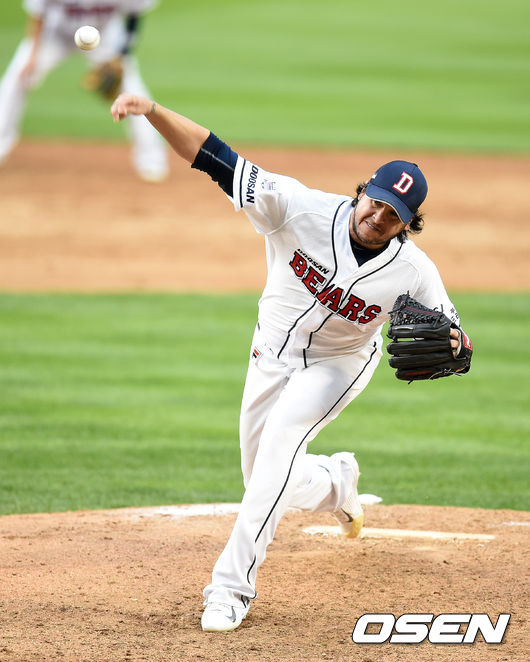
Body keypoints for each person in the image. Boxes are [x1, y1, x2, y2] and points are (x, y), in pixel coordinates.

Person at [110, 93, 472, 632]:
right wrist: (154, 111)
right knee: (263, 475)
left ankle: (230, 589)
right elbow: (214, 156)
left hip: (337, 366)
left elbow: (456, 338)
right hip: (270, 354)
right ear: (362, 191)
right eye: (374, 202)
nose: (376, 217)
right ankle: (335, 483)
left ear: (408, 224)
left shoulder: (415, 272)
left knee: (280, 444)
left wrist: (457, 348)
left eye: (393, 215)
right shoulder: (298, 206)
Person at [0, 0, 168, 182]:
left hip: (104, 39)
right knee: (16, 79)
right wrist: (33, 54)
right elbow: (38, 11)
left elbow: (135, 15)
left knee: (132, 91)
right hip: (53, 36)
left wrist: (122, 55)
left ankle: (152, 159)